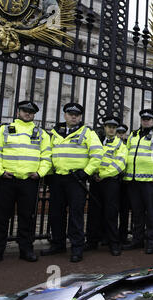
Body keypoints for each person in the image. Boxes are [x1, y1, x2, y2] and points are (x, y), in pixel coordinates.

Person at [0, 101, 52, 265]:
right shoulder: (4, 130)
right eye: (24, 111)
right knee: (1, 217)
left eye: (30, 111)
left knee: (27, 217)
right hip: (6, 179)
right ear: (18, 112)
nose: (27, 113)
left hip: (30, 181)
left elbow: (47, 156)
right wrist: (0, 171)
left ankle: (26, 249)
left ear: (34, 114)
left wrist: (40, 173)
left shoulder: (41, 133)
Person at [40, 102, 103, 263]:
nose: (73, 116)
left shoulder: (87, 132)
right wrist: (48, 174)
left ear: (80, 117)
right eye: (70, 113)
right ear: (65, 115)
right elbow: (47, 154)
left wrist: (86, 172)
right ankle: (58, 244)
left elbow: (97, 154)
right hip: (57, 179)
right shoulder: (54, 133)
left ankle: (77, 248)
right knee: (56, 214)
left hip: (76, 180)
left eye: (76, 114)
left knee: (76, 215)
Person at [122, 109, 153, 254]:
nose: (146, 121)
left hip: (151, 180)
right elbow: (127, 153)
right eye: (144, 119)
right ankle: (137, 240)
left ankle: (151, 242)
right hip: (133, 179)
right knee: (137, 213)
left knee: (151, 213)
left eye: (148, 119)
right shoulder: (133, 135)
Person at [85, 116, 127, 256]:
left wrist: (101, 175)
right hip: (96, 181)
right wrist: (93, 174)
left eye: (114, 127)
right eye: (109, 126)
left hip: (110, 182)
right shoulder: (96, 142)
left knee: (111, 213)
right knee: (93, 212)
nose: (111, 129)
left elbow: (119, 164)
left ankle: (113, 243)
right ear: (104, 127)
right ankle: (92, 241)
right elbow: (90, 157)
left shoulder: (120, 144)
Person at [115, 123, 131, 244]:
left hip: (125, 182)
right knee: (112, 210)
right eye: (118, 133)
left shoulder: (128, 146)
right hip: (113, 180)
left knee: (124, 211)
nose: (120, 135)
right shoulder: (110, 144)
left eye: (122, 133)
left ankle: (123, 235)